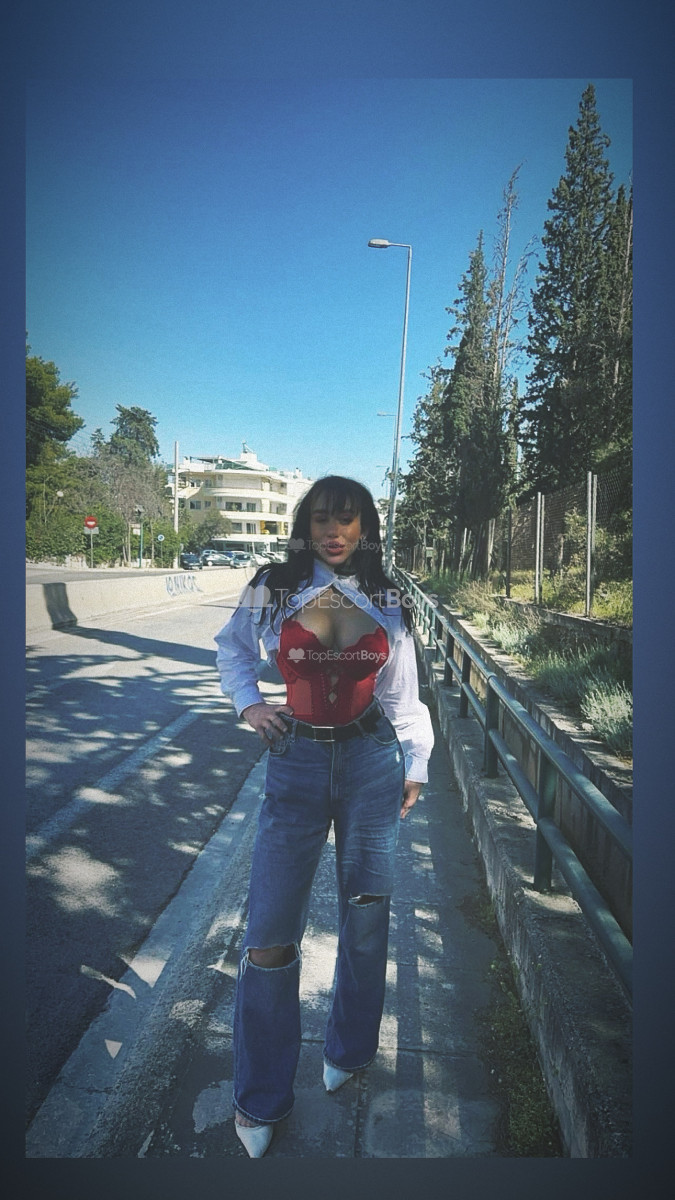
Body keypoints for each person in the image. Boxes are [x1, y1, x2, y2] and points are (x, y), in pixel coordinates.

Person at [214, 475, 434, 1157]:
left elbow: (403, 694)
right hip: (297, 761)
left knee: (365, 915)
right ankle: (259, 1095)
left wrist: (416, 763)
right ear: (305, 527)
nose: (333, 532)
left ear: (365, 527)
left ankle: (350, 1048)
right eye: (321, 520)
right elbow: (231, 649)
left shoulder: (388, 596)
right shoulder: (272, 587)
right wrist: (251, 705)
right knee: (269, 931)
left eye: (346, 520)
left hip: (371, 762)